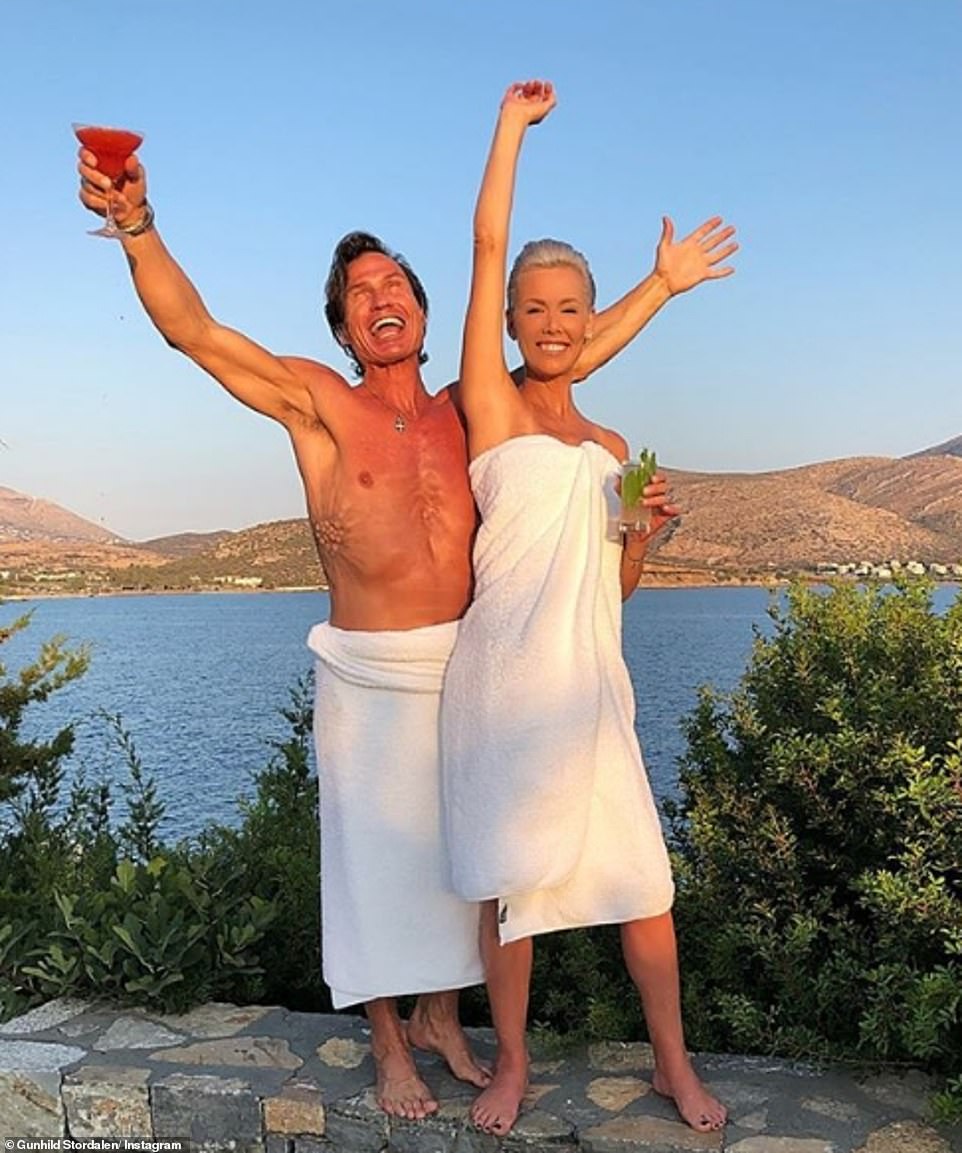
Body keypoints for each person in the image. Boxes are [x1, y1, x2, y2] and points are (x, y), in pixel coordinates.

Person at [76, 133, 733, 1123]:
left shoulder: (470, 408)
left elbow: (567, 347)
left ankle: (441, 1018)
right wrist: (136, 225)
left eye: (396, 284)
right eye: (359, 290)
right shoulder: (318, 403)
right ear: (343, 324)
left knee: (462, 869)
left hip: (470, 663)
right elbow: (195, 332)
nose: (380, 295)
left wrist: (660, 285)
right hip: (369, 667)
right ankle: (389, 1040)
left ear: (423, 314)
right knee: (372, 868)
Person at [440, 80, 736, 1137]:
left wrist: (641, 535)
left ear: (586, 317)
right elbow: (486, 245)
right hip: (500, 687)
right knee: (509, 890)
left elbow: (613, 591)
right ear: (510, 321)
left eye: (571, 308)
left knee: (644, 887)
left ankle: (671, 1064)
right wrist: (509, 128)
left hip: (590, 689)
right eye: (534, 308)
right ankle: (512, 1064)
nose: (553, 324)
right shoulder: (491, 405)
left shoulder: (612, 448)